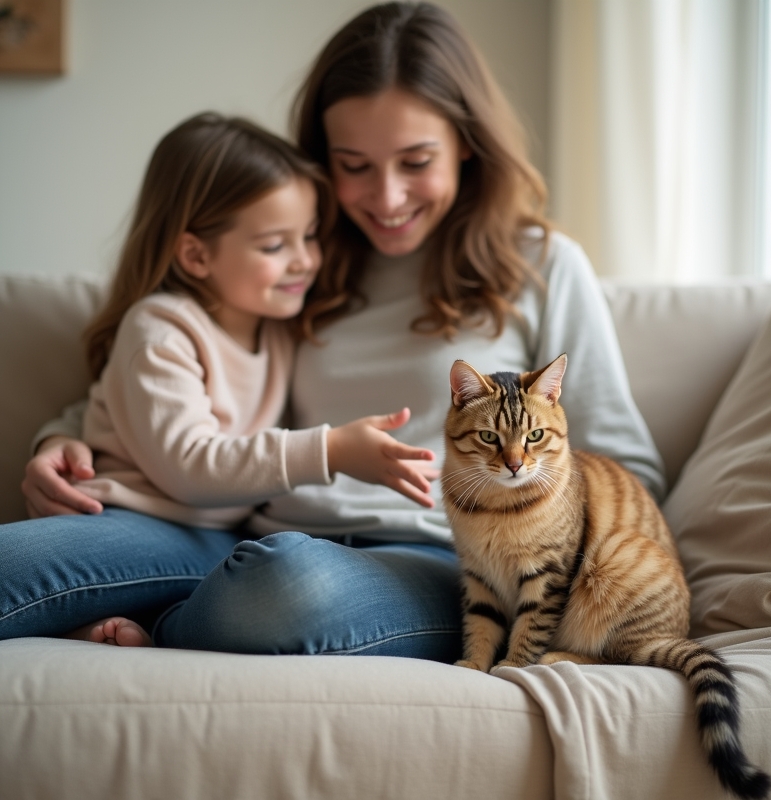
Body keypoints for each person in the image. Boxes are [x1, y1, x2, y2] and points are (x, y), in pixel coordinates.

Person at [4, 2, 665, 660]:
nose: (385, 197)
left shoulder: (541, 265)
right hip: (245, 535)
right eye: (354, 165)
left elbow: (624, 470)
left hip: (446, 560)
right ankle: (167, 615)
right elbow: (182, 377)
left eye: (415, 161)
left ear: (466, 143)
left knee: (286, 585)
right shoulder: (300, 261)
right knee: (26, 559)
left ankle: (160, 627)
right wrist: (58, 437)